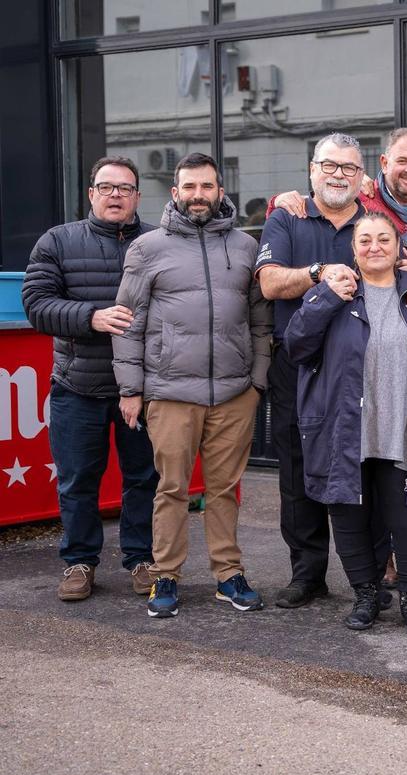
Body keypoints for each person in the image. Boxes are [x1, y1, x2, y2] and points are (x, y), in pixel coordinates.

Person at [274, 126, 407, 591]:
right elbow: (297, 337)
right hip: (339, 384)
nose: (374, 246)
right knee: (345, 487)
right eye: (329, 166)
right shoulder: (333, 214)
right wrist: (322, 286)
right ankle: (357, 584)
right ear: (381, 166)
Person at [284, 212, 407, 636]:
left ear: (400, 247)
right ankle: (366, 594)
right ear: (353, 249)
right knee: (348, 516)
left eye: (383, 239)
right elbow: (296, 346)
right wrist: (326, 296)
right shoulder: (335, 293)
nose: (374, 247)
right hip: (346, 431)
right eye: (365, 240)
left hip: (403, 431)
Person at [112, 152, 270, 619]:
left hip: (233, 392)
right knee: (172, 488)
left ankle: (228, 575)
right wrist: (130, 389)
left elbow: (262, 322)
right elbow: (129, 323)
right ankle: (166, 575)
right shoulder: (147, 248)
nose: (199, 195)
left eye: (207, 186)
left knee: (224, 489)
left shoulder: (245, 246)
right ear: (175, 192)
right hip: (170, 392)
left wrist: (257, 381)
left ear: (221, 192)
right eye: (190, 187)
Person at [22, 155, 158, 602]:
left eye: (125, 187)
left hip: (143, 388)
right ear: (91, 194)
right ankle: (79, 562)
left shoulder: (158, 242)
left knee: (143, 479)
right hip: (77, 386)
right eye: (106, 187)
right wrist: (91, 317)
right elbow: (37, 306)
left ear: (138, 196)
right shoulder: (57, 241)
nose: (115, 194)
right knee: (78, 481)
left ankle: (141, 559)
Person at [255, 132, 365, 609]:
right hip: (296, 360)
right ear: (312, 169)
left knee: (365, 463)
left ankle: (367, 573)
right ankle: (308, 573)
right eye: (330, 166)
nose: (338, 174)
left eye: (348, 168)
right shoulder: (287, 216)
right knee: (297, 467)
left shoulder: (375, 223)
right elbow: (270, 282)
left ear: (364, 178)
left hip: (362, 359)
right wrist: (318, 272)